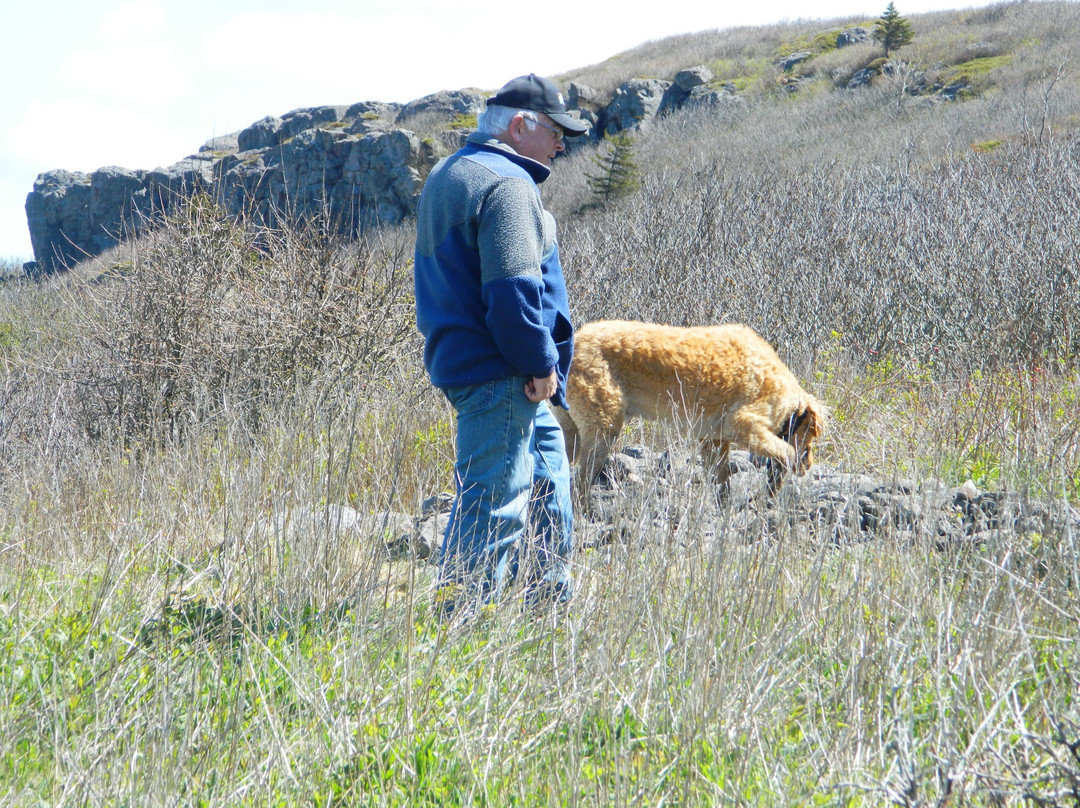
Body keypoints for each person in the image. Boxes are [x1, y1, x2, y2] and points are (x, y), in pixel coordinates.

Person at [413, 74, 589, 618]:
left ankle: (546, 613)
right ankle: (458, 629)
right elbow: (512, 292)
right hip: (504, 375)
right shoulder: (508, 183)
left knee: (549, 482)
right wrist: (539, 362)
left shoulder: (450, 172)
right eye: (556, 132)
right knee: (494, 504)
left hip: (477, 369)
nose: (561, 145)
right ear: (519, 125)